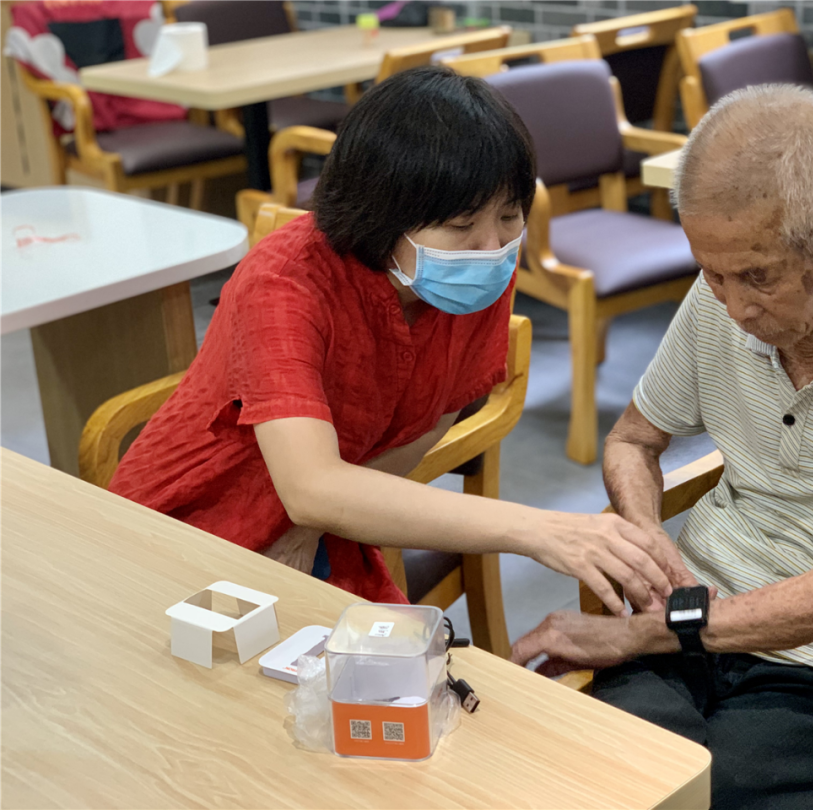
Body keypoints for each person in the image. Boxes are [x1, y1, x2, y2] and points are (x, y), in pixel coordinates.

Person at [512, 84, 813, 810]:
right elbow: (634, 439)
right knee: (605, 772)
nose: (736, 307)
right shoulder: (720, 296)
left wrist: (657, 631)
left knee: (697, 796)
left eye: (759, 277)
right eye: (712, 273)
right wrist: (650, 542)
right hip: (697, 611)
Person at [109, 67, 689, 616]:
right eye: (460, 226)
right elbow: (309, 484)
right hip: (192, 521)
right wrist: (540, 529)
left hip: (328, 517)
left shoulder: (480, 267)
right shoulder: (286, 284)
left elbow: (432, 420)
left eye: (511, 215)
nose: (491, 246)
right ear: (382, 214)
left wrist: (315, 522)